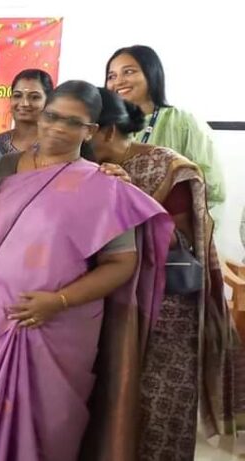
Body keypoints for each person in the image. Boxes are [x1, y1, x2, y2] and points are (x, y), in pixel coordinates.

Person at [0, 80, 171, 461]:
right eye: (52, 116)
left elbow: (121, 263)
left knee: (48, 424)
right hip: (1, 314)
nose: (57, 127)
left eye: (72, 122)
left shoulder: (104, 186)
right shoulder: (6, 167)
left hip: (62, 324)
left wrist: (57, 302)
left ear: (91, 130)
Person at [80, 87, 239, 460]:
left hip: (166, 310)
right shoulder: (83, 169)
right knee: (106, 404)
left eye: (83, 129)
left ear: (106, 130)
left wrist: (128, 197)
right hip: (109, 300)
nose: (76, 138)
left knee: (156, 406)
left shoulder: (167, 167)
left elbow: (178, 240)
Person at [105, 45, 225, 208]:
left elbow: (210, 187)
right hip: (116, 219)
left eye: (129, 72)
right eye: (111, 76)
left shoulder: (182, 121)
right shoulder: (104, 127)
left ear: (152, 74)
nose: (118, 81)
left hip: (171, 221)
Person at [0, 69, 53, 156]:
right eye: (17, 96)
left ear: (49, 101)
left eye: (34, 97)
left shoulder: (57, 145)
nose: (24, 103)